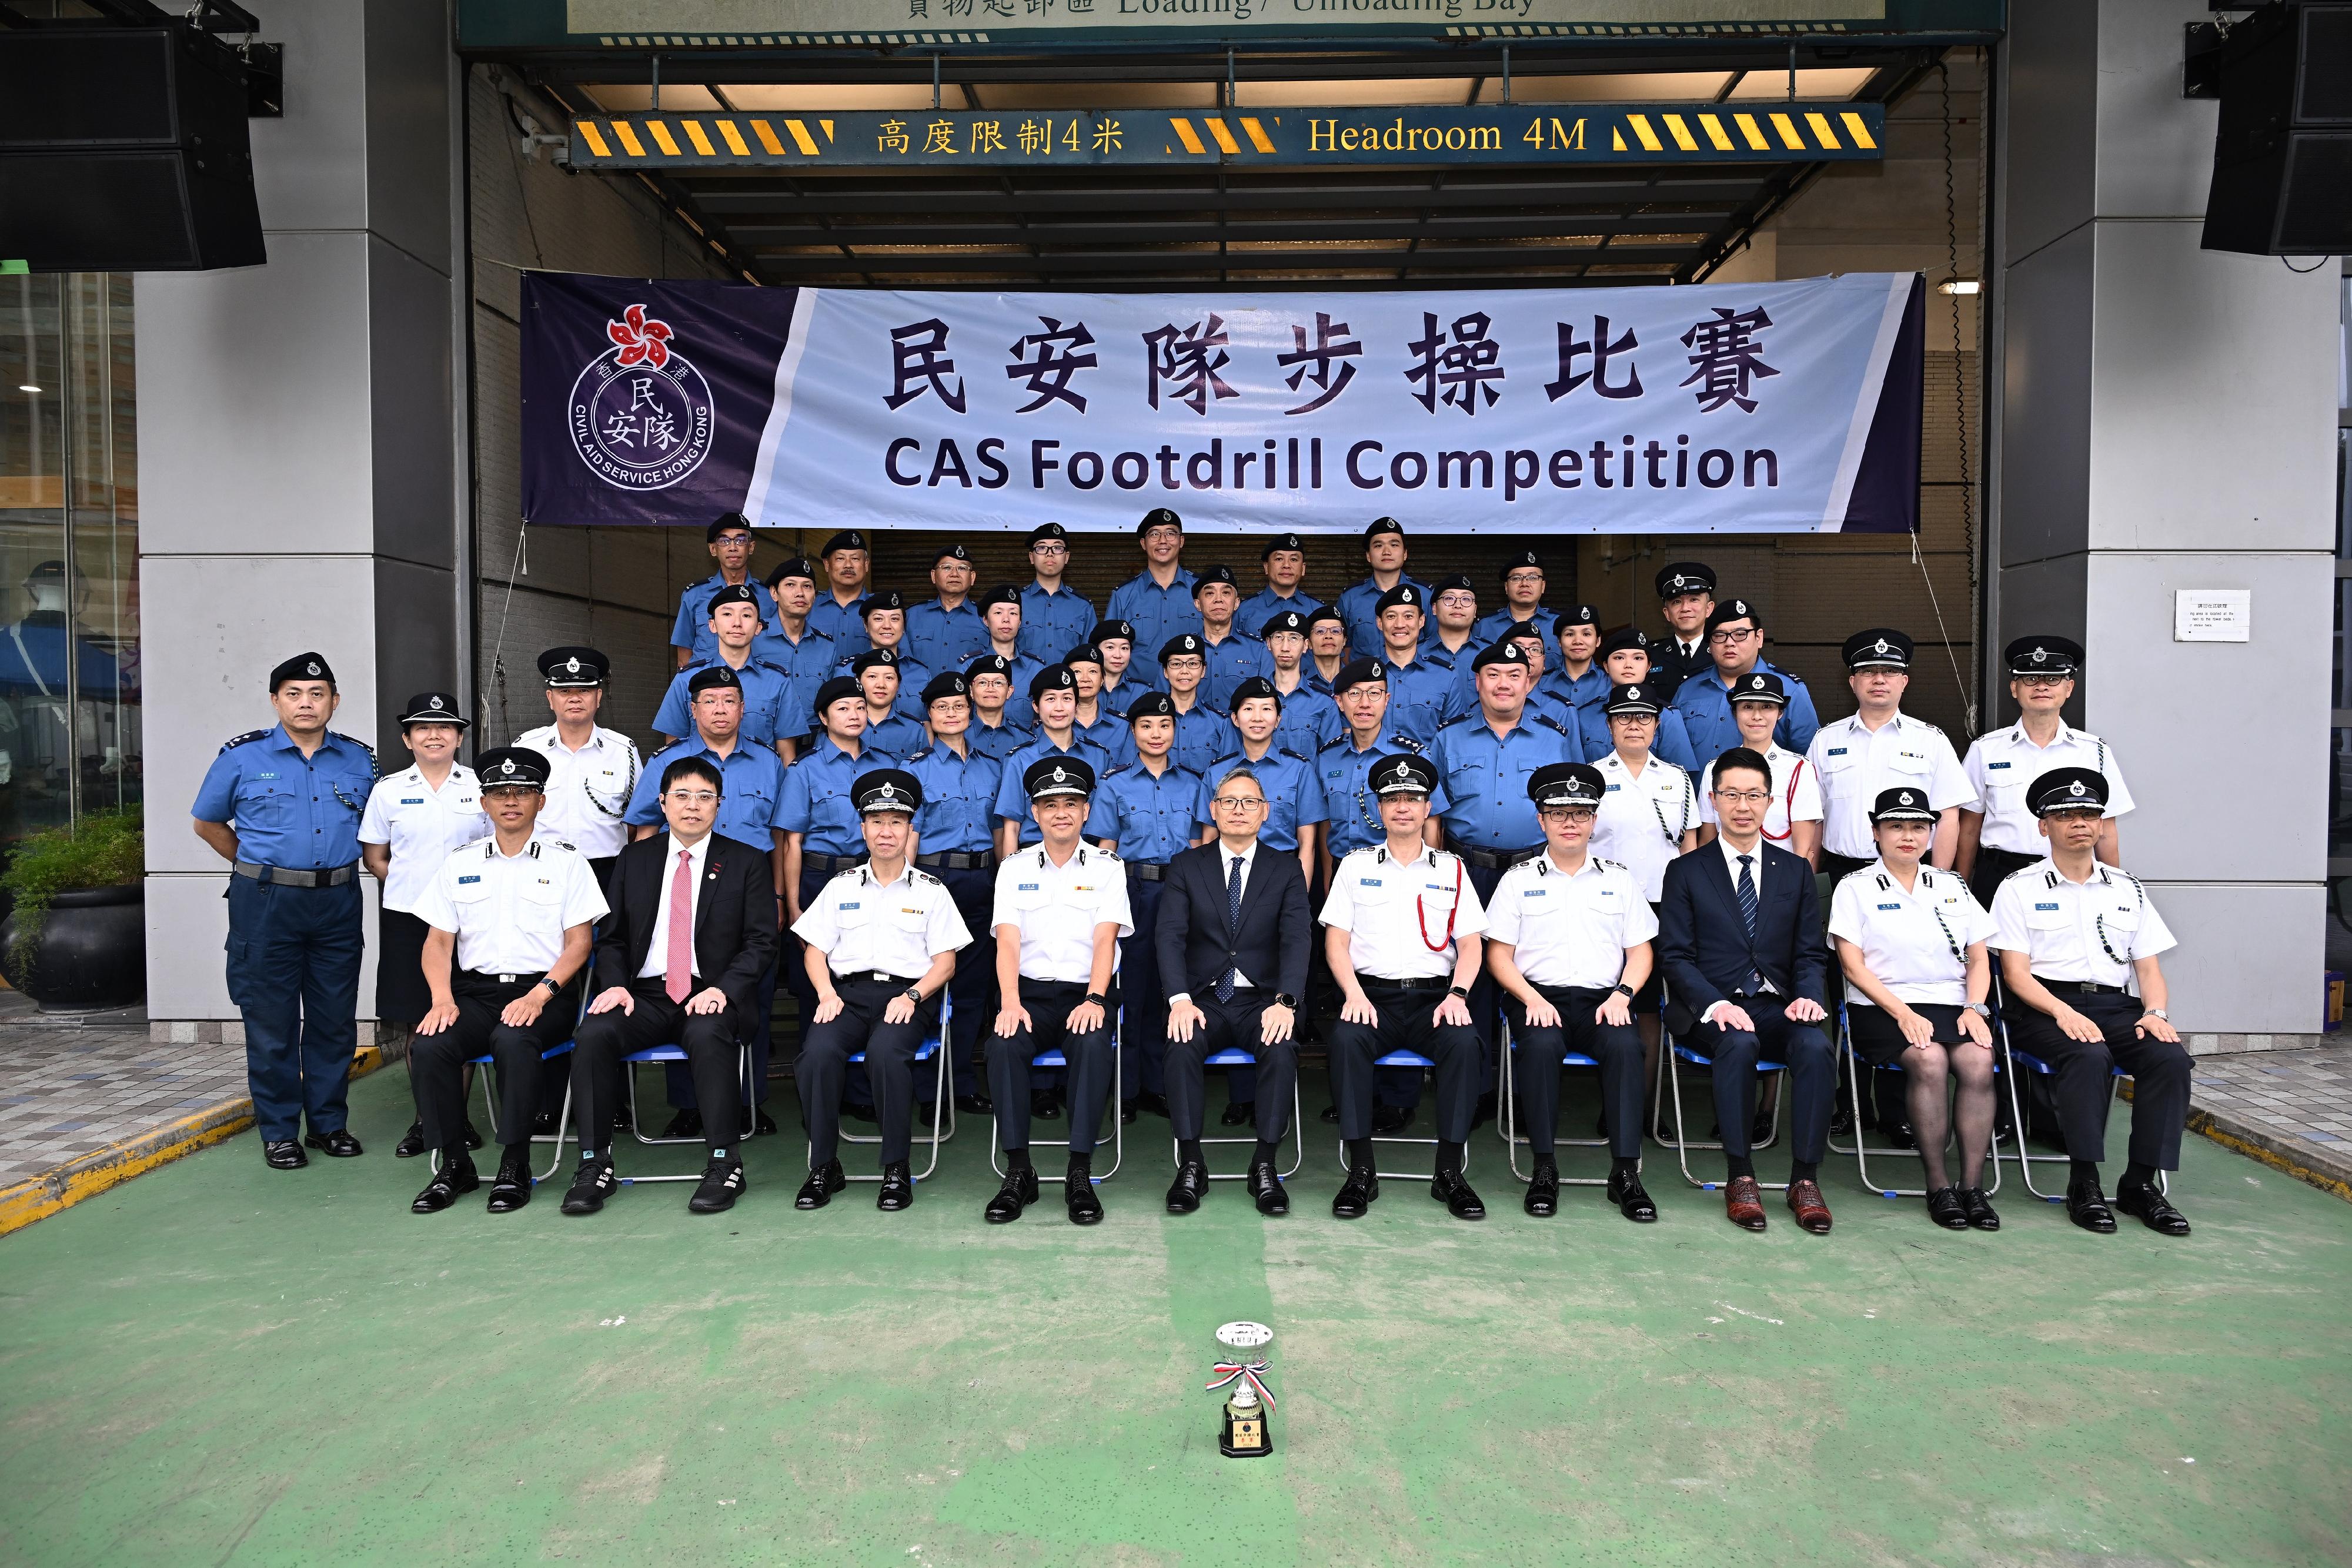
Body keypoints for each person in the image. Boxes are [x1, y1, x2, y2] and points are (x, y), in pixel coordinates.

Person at [562, 754, 780, 1218]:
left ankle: (725, 1162)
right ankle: (593, 1163)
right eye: (682, 796)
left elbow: (762, 941)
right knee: (594, 1033)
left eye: (705, 797)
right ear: (662, 803)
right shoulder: (634, 859)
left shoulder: (746, 861)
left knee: (708, 1034)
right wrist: (616, 985)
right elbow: (614, 937)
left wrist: (727, 987)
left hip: (711, 992)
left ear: (719, 805)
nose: (693, 806)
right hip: (643, 994)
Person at [192, 653, 377, 1171]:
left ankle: (328, 1124)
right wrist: (258, 866)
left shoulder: (361, 760)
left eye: (317, 694)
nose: (306, 703)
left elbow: (377, 829)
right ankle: (279, 1132)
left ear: (334, 702)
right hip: (267, 903)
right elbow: (208, 823)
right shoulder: (241, 757)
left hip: (338, 899)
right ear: (276, 700)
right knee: (271, 1020)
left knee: (334, 1018)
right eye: (294, 693)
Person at [1989, 767, 2191, 1236]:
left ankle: (2141, 1184)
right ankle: (2085, 1181)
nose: (2079, 822)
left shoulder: (2128, 888)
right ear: (2044, 826)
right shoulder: (2019, 887)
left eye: (2089, 814)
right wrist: (2064, 1012)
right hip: (2044, 1006)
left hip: (2116, 1007)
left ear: (2100, 824)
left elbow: (2149, 970)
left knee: (2169, 1059)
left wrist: (2155, 1013)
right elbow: (2015, 975)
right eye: (2065, 815)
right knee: (2088, 1054)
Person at [405, 747, 606, 1215]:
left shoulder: (567, 862)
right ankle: (454, 1164)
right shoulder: (460, 861)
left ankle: (516, 1162)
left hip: (545, 991)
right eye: (499, 792)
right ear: (484, 802)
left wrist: (540, 995)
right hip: (476, 992)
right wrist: (441, 998)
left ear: (541, 801)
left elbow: (579, 943)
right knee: (430, 1044)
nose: (510, 800)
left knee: (514, 1040)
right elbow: (437, 943)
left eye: (522, 792)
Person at [1656, 747, 1836, 1234]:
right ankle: (1741, 1176)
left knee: (1816, 1045)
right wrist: (1715, 1003)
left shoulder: (1794, 870)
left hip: (1776, 1004)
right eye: (1731, 794)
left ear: (1769, 800)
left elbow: (1810, 954)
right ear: (1713, 799)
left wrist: (1808, 995)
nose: (1742, 805)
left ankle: (1805, 1180)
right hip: (1709, 1007)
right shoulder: (1686, 870)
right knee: (1738, 1042)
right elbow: (1674, 957)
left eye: (1753, 795)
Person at [792, 768, 971, 1212]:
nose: (886, 831)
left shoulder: (932, 891)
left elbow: (946, 963)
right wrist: (826, 994)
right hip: (846, 998)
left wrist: (913, 996)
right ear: (863, 828)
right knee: (816, 1055)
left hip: (907, 998)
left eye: (895, 822)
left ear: (911, 829)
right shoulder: (840, 886)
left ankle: (896, 1167)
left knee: (887, 1056)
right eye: (877, 822)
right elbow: (814, 951)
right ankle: (823, 1166)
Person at [1320, 753, 1489, 1221]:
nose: (1402, 807)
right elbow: (1336, 941)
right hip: (1371, 996)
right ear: (1377, 808)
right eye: (1392, 798)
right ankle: (1361, 1172)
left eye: (1412, 798)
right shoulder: (1354, 866)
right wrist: (1352, 993)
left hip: (1437, 998)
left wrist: (1458, 994)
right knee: (1346, 1040)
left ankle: (1449, 1172)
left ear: (1427, 807)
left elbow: (1471, 945)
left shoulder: (1451, 869)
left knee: (1464, 1044)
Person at [1485, 762, 1656, 1222]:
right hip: (1537, 999)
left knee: (1626, 1048)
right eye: (1558, 813)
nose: (1570, 822)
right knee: (1539, 1049)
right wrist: (1531, 999)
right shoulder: (1519, 879)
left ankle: (1624, 1173)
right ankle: (1544, 1168)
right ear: (1541, 820)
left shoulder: (1619, 879)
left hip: (1605, 1000)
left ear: (1594, 821)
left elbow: (1641, 952)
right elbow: (1498, 956)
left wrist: (1623, 994)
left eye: (1581, 813)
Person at [627, 664, 791, 1136]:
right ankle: (689, 1105)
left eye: (730, 701)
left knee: (748, 992)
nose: (720, 710)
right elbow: (643, 828)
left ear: (744, 709)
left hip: (749, 888)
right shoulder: (665, 762)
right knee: (681, 987)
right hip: (685, 885)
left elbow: (779, 835)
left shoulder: (768, 762)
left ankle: (747, 1102)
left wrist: (778, 895)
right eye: (710, 702)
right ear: (692, 709)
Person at [1829, 785, 2002, 1231]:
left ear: (1931, 832)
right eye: (1896, 826)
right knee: (1929, 1059)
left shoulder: (1952, 885)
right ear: (1876, 833)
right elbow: (1852, 964)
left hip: (1952, 1002)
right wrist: (1902, 1012)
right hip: (1880, 1005)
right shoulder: (1855, 888)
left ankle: (1973, 1187)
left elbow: (1979, 956)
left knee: (1979, 1060)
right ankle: (1938, 1184)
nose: (1908, 835)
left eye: (1918, 826)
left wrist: (1976, 1006)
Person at [1425, 640, 1583, 1120]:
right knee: (1469, 979)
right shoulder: (1449, 738)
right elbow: (1433, 815)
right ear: (1478, 682)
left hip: (1533, 870)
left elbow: (1573, 810)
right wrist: (1433, 875)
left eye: (1514, 675)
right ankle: (1473, 1091)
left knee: (1527, 974)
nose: (1503, 683)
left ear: (1529, 681)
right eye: (1493, 674)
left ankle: (1523, 1090)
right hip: (1467, 870)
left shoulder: (1554, 738)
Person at [985, 756, 1133, 1225]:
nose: (1061, 813)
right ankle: (1018, 1171)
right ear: (1035, 813)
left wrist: (1095, 997)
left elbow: (1105, 937)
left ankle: (1080, 1171)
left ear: (1087, 811)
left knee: (1093, 1044)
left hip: (1084, 992)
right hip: (1026, 993)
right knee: (1002, 1045)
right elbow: (1007, 938)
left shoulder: (1109, 867)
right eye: (1050, 805)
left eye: (1071, 803)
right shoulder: (1014, 867)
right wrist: (1009, 1001)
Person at [1158, 762, 1311, 1217]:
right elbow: (1169, 935)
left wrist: (1286, 1002)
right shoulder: (1187, 865)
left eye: (1249, 802)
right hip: (1203, 998)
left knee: (1281, 1047)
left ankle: (1264, 1164)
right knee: (1181, 1043)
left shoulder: (1285, 869)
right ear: (1214, 810)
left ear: (1265, 812)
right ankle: (1191, 1163)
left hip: (1263, 1000)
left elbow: (1297, 938)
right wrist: (1179, 999)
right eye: (1229, 802)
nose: (1239, 810)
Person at [359, 692, 489, 1161]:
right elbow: (375, 856)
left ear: (458, 737)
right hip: (409, 920)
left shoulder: (480, 787)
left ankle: (458, 1118)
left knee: (461, 1017)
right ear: (407, 738)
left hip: (470, 920)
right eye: (423, 728)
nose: (434, 735)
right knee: (421, 1020)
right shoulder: (389, 789)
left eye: (445, 727)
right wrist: (415, 889)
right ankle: (427, 1119)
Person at [777, 676, 901, 1119]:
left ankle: (867, 1094)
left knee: (868, 982)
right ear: (825, 718)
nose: (854, 714)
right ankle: (822, 1093)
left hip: (875, 881)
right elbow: (791, 842)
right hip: (820, 881)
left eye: (859, 707)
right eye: (844, 708)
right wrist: (793, 904)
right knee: (820, 990)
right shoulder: (805, 769)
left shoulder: (886, 765)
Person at [1090, 690, 1201, 1123]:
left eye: (1165, 725)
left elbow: (1198, 847)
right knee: (1131, 991)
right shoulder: (1114, 783)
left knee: (1169, 987)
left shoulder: (1193, 783)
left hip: (1178, 892)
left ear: (1176, 729)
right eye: (1147, 726)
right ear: (1133, 731)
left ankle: (1160, 1084)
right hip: (1131, 891)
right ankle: (1128, 1086)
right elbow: (1106, 849)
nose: (1156, 734)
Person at [1957, 636, 2134, 906]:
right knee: (1993, 950)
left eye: (2052, 679)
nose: (2041, 686)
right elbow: (1969, 827)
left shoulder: (2094, 751)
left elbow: (2106, 829)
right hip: (1999, 876)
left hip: (2072, 874)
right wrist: (1960, 885)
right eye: (2030, 679)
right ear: (2014, 688)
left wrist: (2115, 889)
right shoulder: (1985, 750)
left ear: (2069, 688)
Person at [1587, 680, 1698, 1091]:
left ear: (1657, 725)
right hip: (1601, 905)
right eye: (1624, 717)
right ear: (1610, 726)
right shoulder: (1592, 779)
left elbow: (1690, 848)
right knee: (1601, 998)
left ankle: (1644, 1101)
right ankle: (1609, 1097)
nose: (1634, 725)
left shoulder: (1677, 779)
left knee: (1649, 1006)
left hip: (1661, 908)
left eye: (1644, 717)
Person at [906, 671, 1004, 1117]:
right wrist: (905, 888)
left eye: (959, 706)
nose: (952, 713)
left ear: (971, 711)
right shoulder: (915, 768)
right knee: (930, 983)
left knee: (971, 989)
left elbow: (1002, 831)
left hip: (983, 881)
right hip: (935, 881)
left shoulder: (992, 765)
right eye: (942, 707)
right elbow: (910, 834)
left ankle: (960, 1082)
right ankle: (929, 1091)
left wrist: (1004, 881)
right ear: (929, 715)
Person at [1807, 629, 1975, 884]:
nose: (1879, 680)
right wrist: (1810, 879)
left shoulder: (1931, 740)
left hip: (1912, 874)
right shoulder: (1826, 740)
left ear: (1904, 682)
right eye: (1868, 671)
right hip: (1840, 872)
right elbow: (1813, 816)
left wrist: (1939, 882)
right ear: (1853, 682)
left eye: (1890, 671)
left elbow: (1948, 817)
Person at [514, 647, 640, 889]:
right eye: (564, 691)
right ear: (551, 699)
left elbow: (639, 817)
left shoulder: (623, 750)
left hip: (608, 871)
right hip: (540, 867)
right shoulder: (526, 749)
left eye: (584, 690)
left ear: (599, 697)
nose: (574, 698)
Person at [1671, 597, 1820, 768]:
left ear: (1759, 638)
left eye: (1740, 634)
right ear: (1710, 645)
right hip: (1698, 793)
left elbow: (1810, 759)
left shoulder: (1790, 689)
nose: (1729, 643)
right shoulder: (1688, 689)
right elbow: (1670, 754)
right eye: (1719, 636)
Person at [1695, 670, 1822, 865]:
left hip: (1781, 879)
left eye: (1766, 707)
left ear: (1780, 713)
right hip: (1725, 878)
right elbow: (1707, 841)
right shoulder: (1715, 769)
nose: (1756, 716)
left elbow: (1803, 850)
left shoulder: (1799, 769)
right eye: (1747, 707)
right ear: (1735, 712)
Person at [653, 584, 796, 753]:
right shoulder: (686, 679)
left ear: (758, 627)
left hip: (758, 778)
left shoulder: (778, 682)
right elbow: (673, 750)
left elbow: (786, 757)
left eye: (747, 615)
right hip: (700, 778)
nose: (737, 623)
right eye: (727, 614)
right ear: (712, 625)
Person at [992, 664, 1115, 858]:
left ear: (1076, 704)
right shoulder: (1019, 759)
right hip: (1033, 856)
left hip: (1087, 857)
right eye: (1050, 699)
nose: (1059, 708)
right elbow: (1012, 828)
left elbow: (1107, 826)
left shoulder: (1099, 756)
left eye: (1067, 699)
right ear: (1036, 706)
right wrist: (1010, 878)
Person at [751, 559, 837, 762]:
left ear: (815, 595)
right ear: (774, 593)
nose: (800, 593)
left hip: (815, 748)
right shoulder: (754, 639)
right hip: (764, 745)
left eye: (807, 586)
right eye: (790, 585)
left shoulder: (826, 646)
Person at [1579, 629, 1700, 772]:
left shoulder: (1667, 715)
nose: (1628, 665)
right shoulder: (1585, 715)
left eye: (1638, 658)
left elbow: (1680, 775)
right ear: (1606, 666)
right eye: (1619, 658)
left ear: (1648, 666)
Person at [671, 514, 779, 670]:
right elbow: (684, 657)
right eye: (724, 541)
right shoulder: (694, 596)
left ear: (752, 547)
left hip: (757, 688)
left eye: (741, 540)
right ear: (713, 549)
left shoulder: (769, 597)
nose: (733, 547)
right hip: (710, 690)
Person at [1105, 507, 1201, 661]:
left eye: (1170, 533)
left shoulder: (1204, 590)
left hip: (1193, 684)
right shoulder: (1123, 596)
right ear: (1143, 543)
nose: (1163, 541)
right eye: (1155, 534)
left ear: (1181, 541)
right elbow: (1109, 652)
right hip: (1138, 685)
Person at [1369, 583, 1454, 746]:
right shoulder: (1362, 674)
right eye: (1391, 616)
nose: (1400, 624)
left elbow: (1453, 740)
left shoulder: (1445, 676)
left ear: (1421, 621)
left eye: (1408, 616)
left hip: (1427, 769)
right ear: (1379, 623)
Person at [1259, 609, 1343, 761]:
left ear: (1305, 645)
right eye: (1278, 637)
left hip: (1306, 784)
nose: (1285, 647)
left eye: (1294, 638)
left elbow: (1332, 759)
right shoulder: (1253, 698)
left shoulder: (1323, 702)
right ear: (1269, 644)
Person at [1337, 517, 1425, 659]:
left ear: (1405, 554)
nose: (1387, 552)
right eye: (1378, 546)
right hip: (1363, 680)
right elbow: (1343, 649)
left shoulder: (1425, 595)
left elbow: (1434, 643)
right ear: (1368, 556)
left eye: (1394, 545)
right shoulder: (1350, 598)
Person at [1191, 564, 1275, 713]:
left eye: (1226, 593)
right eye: (1210, 593)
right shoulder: (1180, 651)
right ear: (1198, 604)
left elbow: (1269, 703)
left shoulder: (1259, 650)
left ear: (1237, 603)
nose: (1218, 599)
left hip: (1241, 734)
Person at [1017, 522, 1098, 664]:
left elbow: (1090, 658)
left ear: (1066, 557)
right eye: (1042, 548)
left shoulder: (1083, 606)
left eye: (1057, 548)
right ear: (1031, 557)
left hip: (1068, 685)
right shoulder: (1015, 602)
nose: (1050, 553)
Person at [845, 593, 934, 721]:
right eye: (878, 619)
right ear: (866, 625)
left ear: (904, 626)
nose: (887, 626)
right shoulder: (848, 670)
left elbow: (927, 723)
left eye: (895, 619)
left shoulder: (921, 673)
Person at [1154, 634, 1232, 778]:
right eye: (1176, 664)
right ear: (1166, 671)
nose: (1185, 671)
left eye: (1193, 663)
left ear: (1203, 670)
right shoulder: (1148, 720)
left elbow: (1229, 777)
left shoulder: (1220, 724)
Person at [907, 543, 987, 674]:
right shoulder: (912, 616)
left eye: (962, 568)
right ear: (933, 576)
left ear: (972, 577)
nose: (954, 574)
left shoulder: (985, 617)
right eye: (947, 568)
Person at [975, 586, 1047, 726]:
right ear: (985, 620)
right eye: (998, 613)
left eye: (1013, 614)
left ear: (1020, 621)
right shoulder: (969, 665)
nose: (1006, 619)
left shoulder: (1037, 669)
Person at [1648, 561, 1718, 702]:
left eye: (1694, 599)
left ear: (1709, 609)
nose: (1685, 608)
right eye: (1677, 602)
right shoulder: (1650, 657)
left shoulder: (1724, 652)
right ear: (1667, 614)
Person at [1237, 531, 1323, 638]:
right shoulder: (1244, 609)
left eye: (1294, 559)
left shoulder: (1318, 610)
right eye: (1279, 559)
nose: (1286, 565)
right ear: (1266, 567)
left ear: (1303, 568)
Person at [849, 647, 931, 756]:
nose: (881, 685)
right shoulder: (842, 725)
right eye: (872, 676)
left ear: (898, 685)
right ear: (858, 681)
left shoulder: (915, 731)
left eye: (889, 678)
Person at [1473, 550, 1560, 648]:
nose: (1524, 584)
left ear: (1543, 586)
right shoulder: (1485, 625)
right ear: (1506, 587)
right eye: (1516, 578)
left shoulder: (1559, 623)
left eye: (1533, 578)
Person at [809, 529, 873, 655]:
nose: (848, 565)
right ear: (827, 565)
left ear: (866, 565)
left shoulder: (882, 610)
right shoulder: (808, 607)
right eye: (840, 558)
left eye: (855, 558)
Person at [964, 653, 1036, 764]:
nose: (991, 689)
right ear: (971, 692)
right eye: (982, 683)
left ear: (1009, 692)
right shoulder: (959, 736)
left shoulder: (1027, 740)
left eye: (998, 683)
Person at [1537, 604, 1607, 717]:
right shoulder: (1541, 683)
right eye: (1570, 634)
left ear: (1598, 640)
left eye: (1586, 634)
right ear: (1559, 641)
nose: (1578, 641)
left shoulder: (1610, 682)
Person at [1419, 574, 1481, 677]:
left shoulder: (1490, 653)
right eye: (1449, 598)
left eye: (1466, 599)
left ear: (1475, 610)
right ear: (1435, 608)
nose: (1458, 605)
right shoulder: (1416, 653)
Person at [1092, 619, 1148, 714]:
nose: (1118, 655)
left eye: (1124, 648)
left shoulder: (1143, 692)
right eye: (1110, 647)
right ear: (1096, 651)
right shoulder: (1083, 687)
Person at [1305, 604, 1350, 692]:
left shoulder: (1357, 682)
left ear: (1344, 641)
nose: (1328, 636)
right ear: (1309, 642)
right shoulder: (1299, 684)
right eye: (1320, 631)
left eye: (1336, 631)